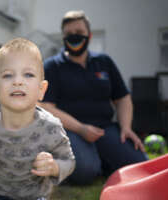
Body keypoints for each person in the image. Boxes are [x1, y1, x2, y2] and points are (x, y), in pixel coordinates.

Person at [0, 38, 76, 200]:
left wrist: (55, 167)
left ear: (41, 90)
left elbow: (68, 161)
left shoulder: (51, 126)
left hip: (33, 196)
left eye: (28, 74)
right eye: (7, 75)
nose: (18, 81)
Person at [40, 10, 147, 185]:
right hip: (70, 131)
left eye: (79, 33)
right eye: (69, 34)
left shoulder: (104, 62)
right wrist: (81, 129)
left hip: (105, 129)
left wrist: (126, 128)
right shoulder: (52, 66)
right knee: (86, 172)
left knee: (139, 164)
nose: (74, 37)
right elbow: (46, 107)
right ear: (63, 37)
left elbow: (123, 98)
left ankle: (101, 159)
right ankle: (91, 162)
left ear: (89, 35)